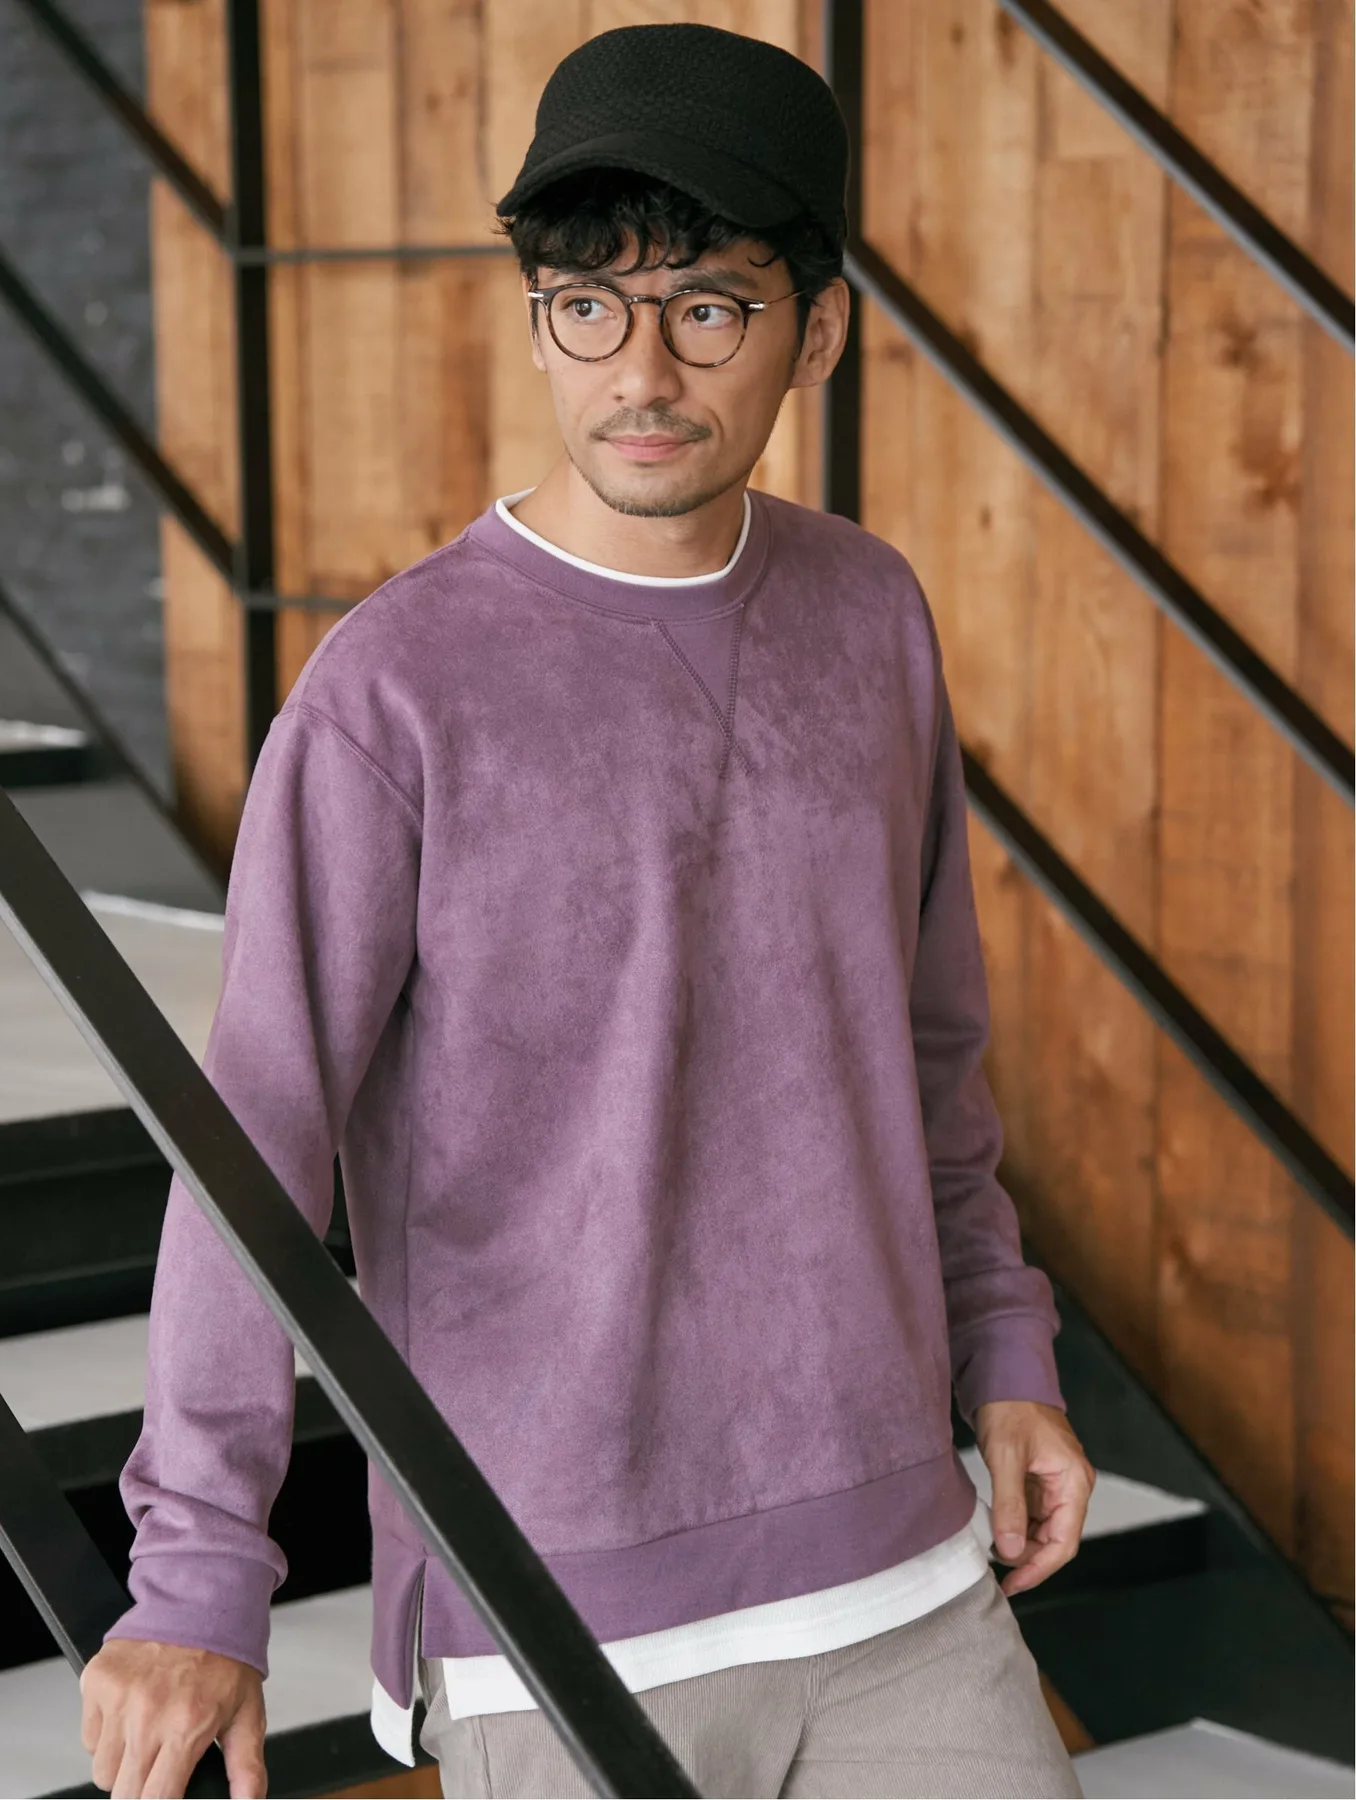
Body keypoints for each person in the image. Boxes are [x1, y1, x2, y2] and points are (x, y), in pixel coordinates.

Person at [80, 22, 1094, 1800]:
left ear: (817, 331)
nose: (641, 371)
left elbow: (930, 1051)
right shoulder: (395, 693)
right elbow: (255, 1147)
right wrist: (197, 1578)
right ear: (539, 319)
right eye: (586, 306)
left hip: (905, 1573)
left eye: (708, 307)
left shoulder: (871, 615)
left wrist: (1007, 1350)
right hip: (557, 1606)